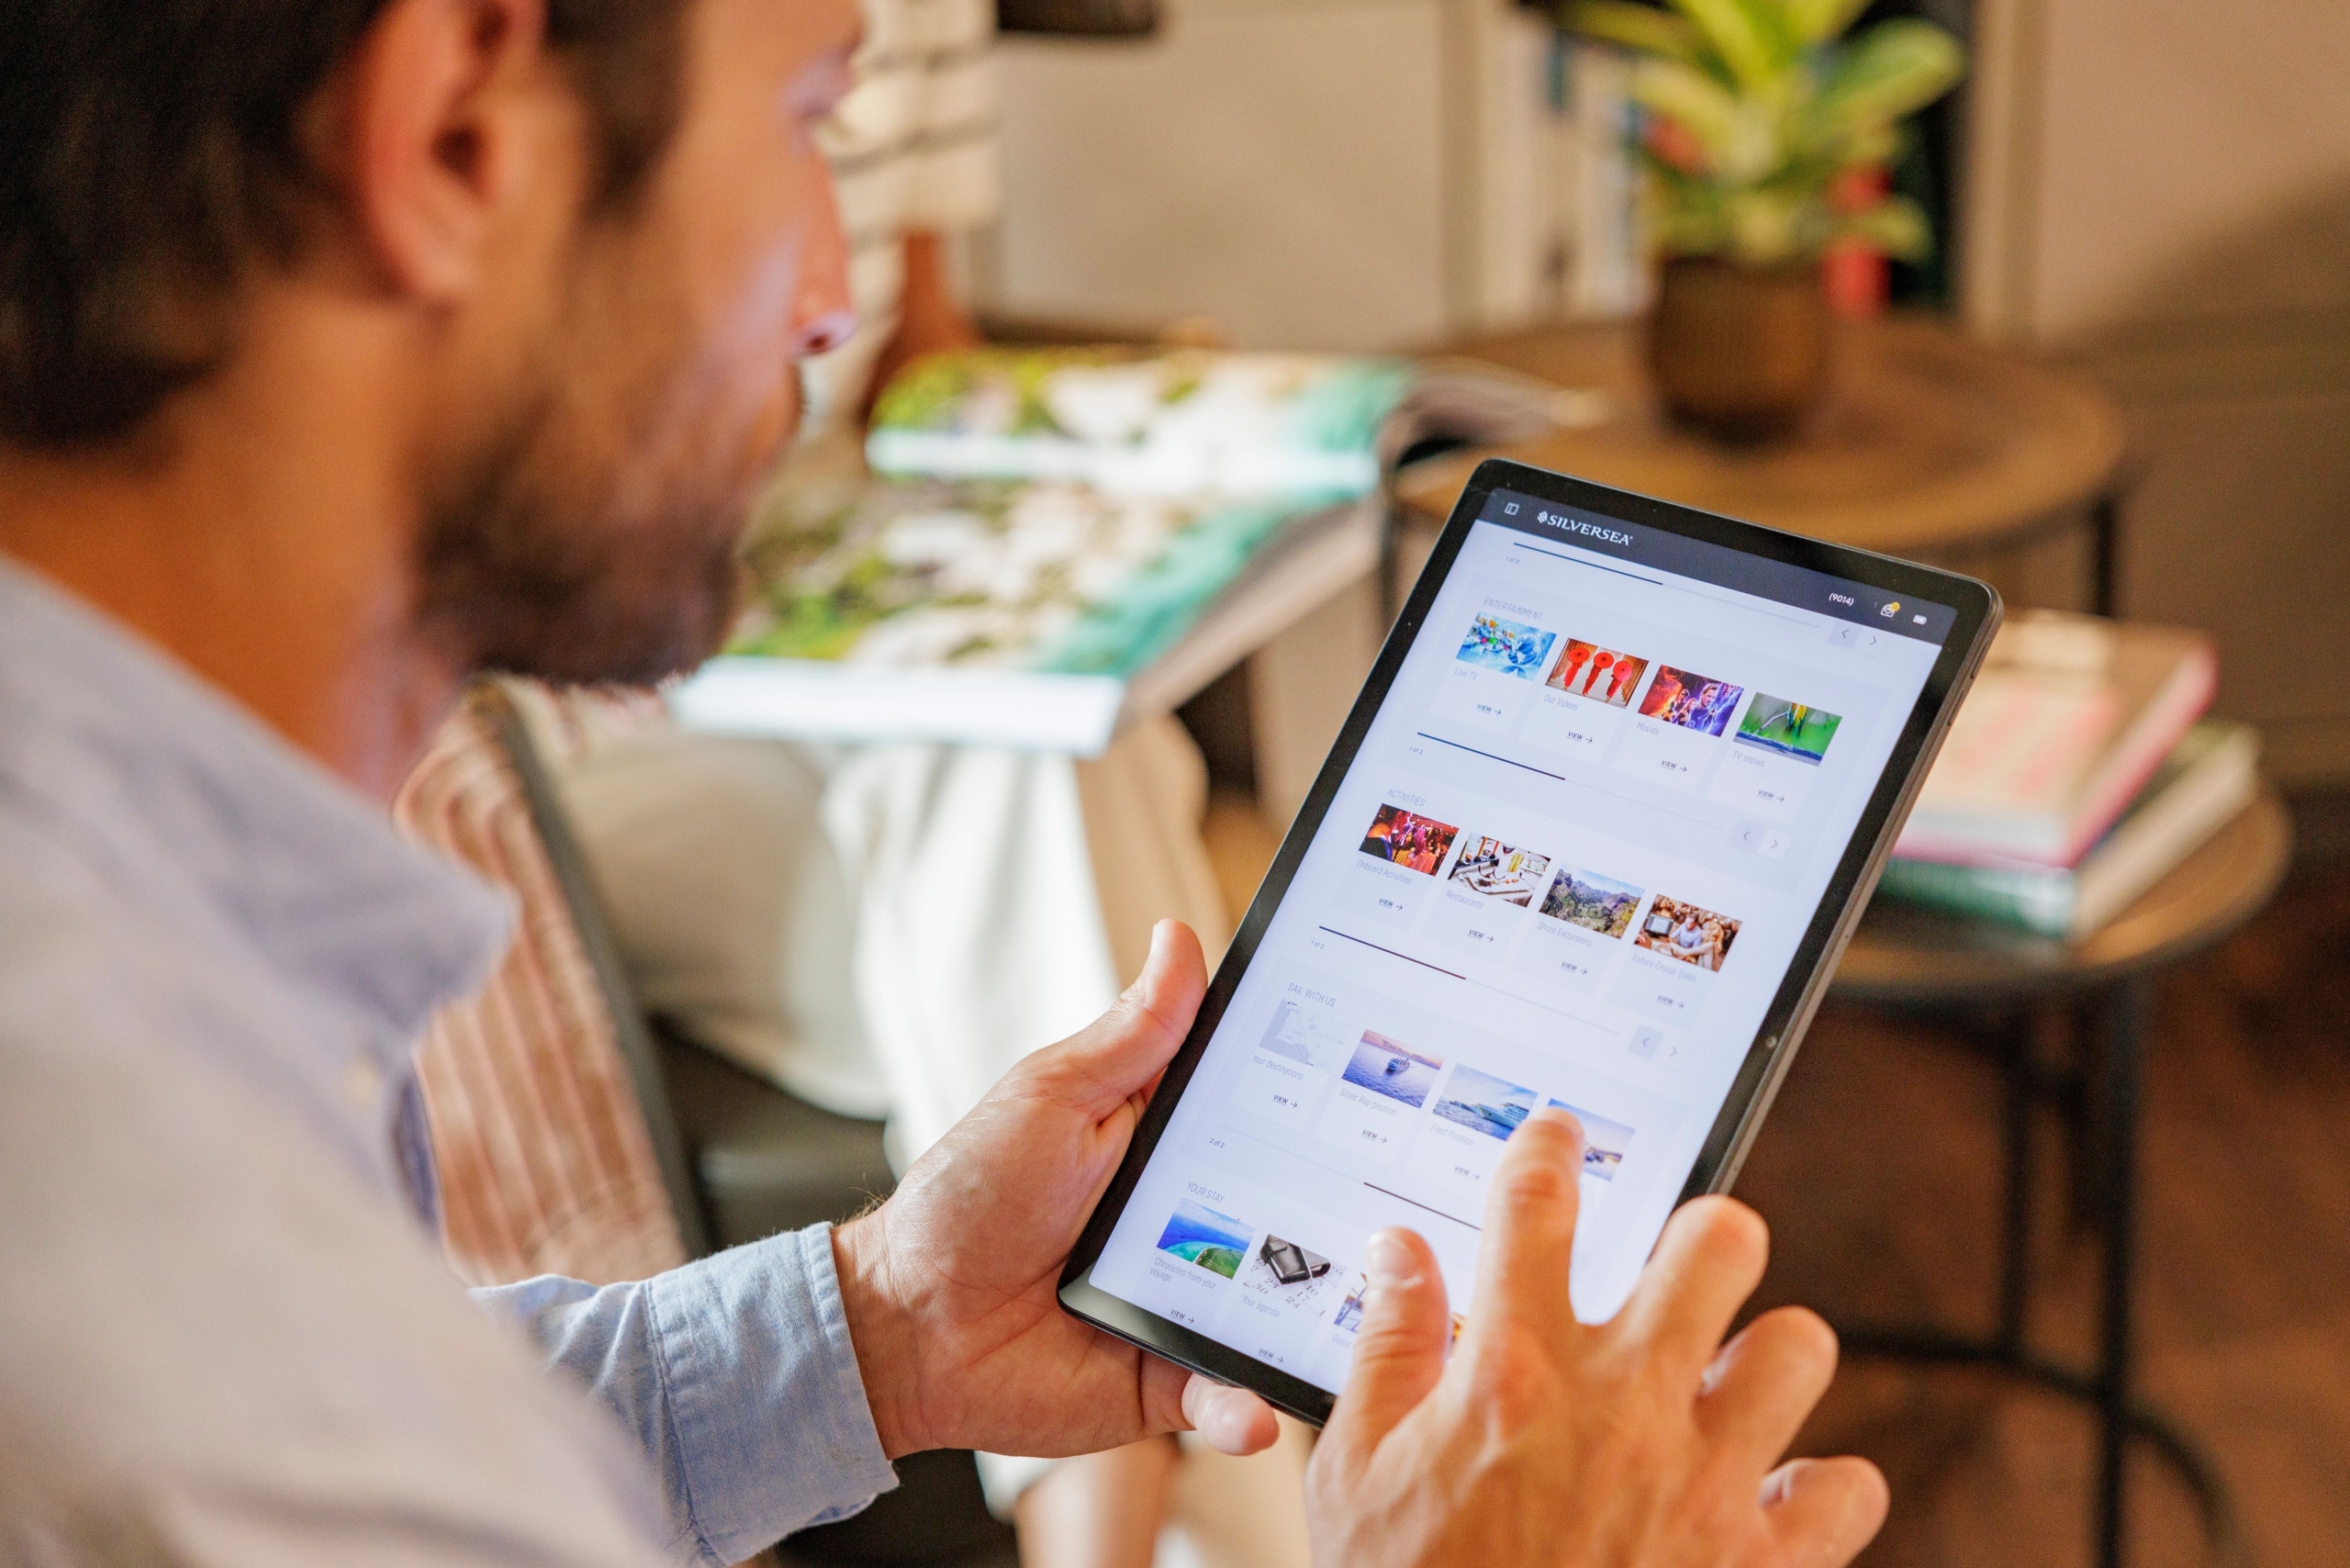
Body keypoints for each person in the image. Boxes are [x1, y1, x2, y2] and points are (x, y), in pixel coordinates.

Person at [0, 2, 1892, 1565]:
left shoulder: (171, 949)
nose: (832, 296)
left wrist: (880, 1326)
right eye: (807, 121)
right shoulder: (130, 1224)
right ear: (452, 136)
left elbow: (397, 1433)